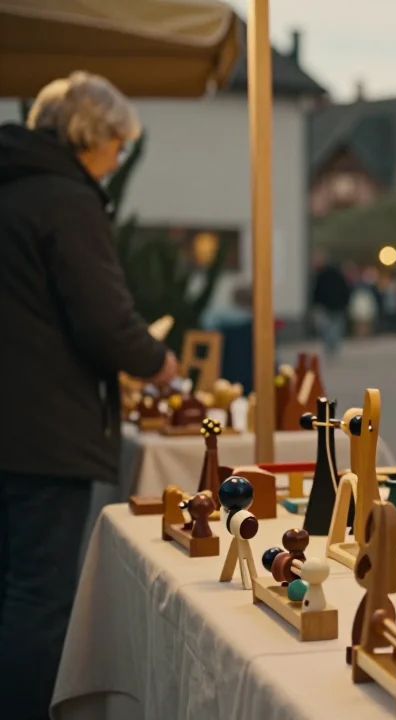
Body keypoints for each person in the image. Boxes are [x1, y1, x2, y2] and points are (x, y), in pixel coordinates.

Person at [0, 71, 179, 720]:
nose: (118, 159)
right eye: (118, 145)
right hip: (45, 431)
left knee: (11, 590)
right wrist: (158, 361)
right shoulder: (65, 199)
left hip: (14, 419)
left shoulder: (13, 185)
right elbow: (103, 318)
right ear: (88, 135)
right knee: (38, 602)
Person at [310, 251, 351, 358]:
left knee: (327, 328)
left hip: (326, 306)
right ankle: (333, 347)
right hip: (337, 305)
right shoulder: (338, 275)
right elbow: (345, 290)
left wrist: (316, 303)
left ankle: (330, 347)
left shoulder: (321, 276)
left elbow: (316, 291)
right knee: (335, 328)